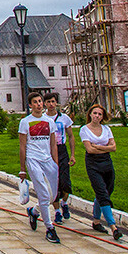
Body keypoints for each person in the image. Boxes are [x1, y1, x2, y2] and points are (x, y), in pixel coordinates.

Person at [18, 91, 60, 244]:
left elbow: (53, 144)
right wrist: (22, 169)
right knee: (43, 193)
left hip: (48, 160)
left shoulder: (49, 122)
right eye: (35, 102)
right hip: (33, 159)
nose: (38, 104)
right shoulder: (25, 122)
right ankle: (50, 228)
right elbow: (22, 146)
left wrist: (55, 163)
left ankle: (34, 212)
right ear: (30, 105)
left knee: (52, 196)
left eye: (40, 101)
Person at [80, 103, 122, 240]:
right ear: (90, 114)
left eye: (100, 114)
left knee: (107, 190)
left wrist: (97, 146)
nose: (97, 116)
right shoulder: (84, 130)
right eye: (95, 113)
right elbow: (89, 150)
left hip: (107, 162)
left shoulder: (106, 129)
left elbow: (114, 147)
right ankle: (113, 227)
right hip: (93, 163)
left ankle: (96, 221)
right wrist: (105, 147)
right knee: (102, 194)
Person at [44, 93, 75, 222]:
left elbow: (71, 136)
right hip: (49, 151)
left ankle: (64, 203)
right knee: (53, 183)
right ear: (45, 104)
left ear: (56, 102)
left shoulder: (64, 118)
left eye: (53, 101)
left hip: (62, 150)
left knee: (65, 181)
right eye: (48, 102)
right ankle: (57, 211)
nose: (51, 104)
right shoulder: (43, 118)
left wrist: (72, 154)